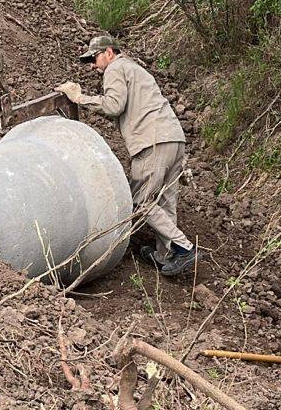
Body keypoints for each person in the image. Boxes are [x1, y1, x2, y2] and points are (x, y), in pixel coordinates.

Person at [56, 34, 200, 277]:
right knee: (165, 202)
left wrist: (79, 98)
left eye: (94, 58)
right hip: (174, 139)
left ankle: (184, 248)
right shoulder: (135, 69)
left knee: (141, 202)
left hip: (151, 142)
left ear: (109, 53)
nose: (93, 65)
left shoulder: (115, 69)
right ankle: (165, 255)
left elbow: (113, 106)